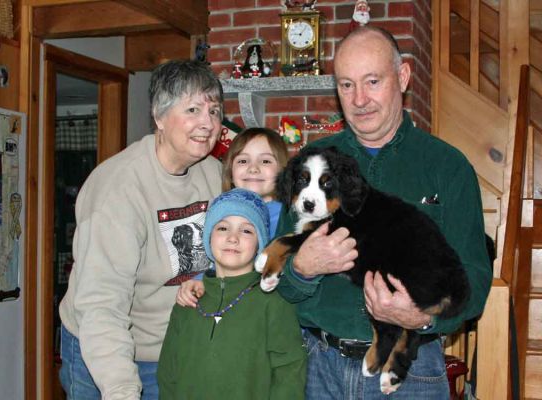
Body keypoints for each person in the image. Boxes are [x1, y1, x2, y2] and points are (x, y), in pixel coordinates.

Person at [276, 26, 493, 399]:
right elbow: (280, 279)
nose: (359, 99)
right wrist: (300, 270)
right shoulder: (309, 164)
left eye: (372, 81)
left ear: (403, 77)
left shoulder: (448, 167)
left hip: (411, 371)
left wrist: (425, 317)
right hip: (316, 368)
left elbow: (474, 277)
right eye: (346, 85)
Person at [58, 59, 224, 399]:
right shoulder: (117, 191)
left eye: (215, 110)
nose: (207, 123)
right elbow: (102, 305)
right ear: (159, 117)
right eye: (192, 109)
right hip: (107, 350)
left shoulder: (214, 174)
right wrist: (121, 388)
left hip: (176, 347)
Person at [157, 188, 307, 399]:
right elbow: (167, 374)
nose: (233, 238)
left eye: (246, 231)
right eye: (223, 228)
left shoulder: (274, 301)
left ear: (259, 245)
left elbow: (289, 373)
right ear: (208, 237)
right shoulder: (188, 300)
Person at [176, 127, 289, 307]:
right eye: (243, 160)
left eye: (265, 161)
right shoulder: (222, 211)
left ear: (283, 170)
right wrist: (199, 280)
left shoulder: (288, 218)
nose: (253, 168)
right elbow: (215, 257)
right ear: (230, 171)